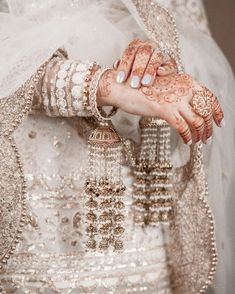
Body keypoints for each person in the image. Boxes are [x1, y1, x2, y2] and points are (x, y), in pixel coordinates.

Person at [0, 0, 234, 293]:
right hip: (38, 215)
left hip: (140, 207)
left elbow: (195, 45)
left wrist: (163, 64)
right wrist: (104, 85)